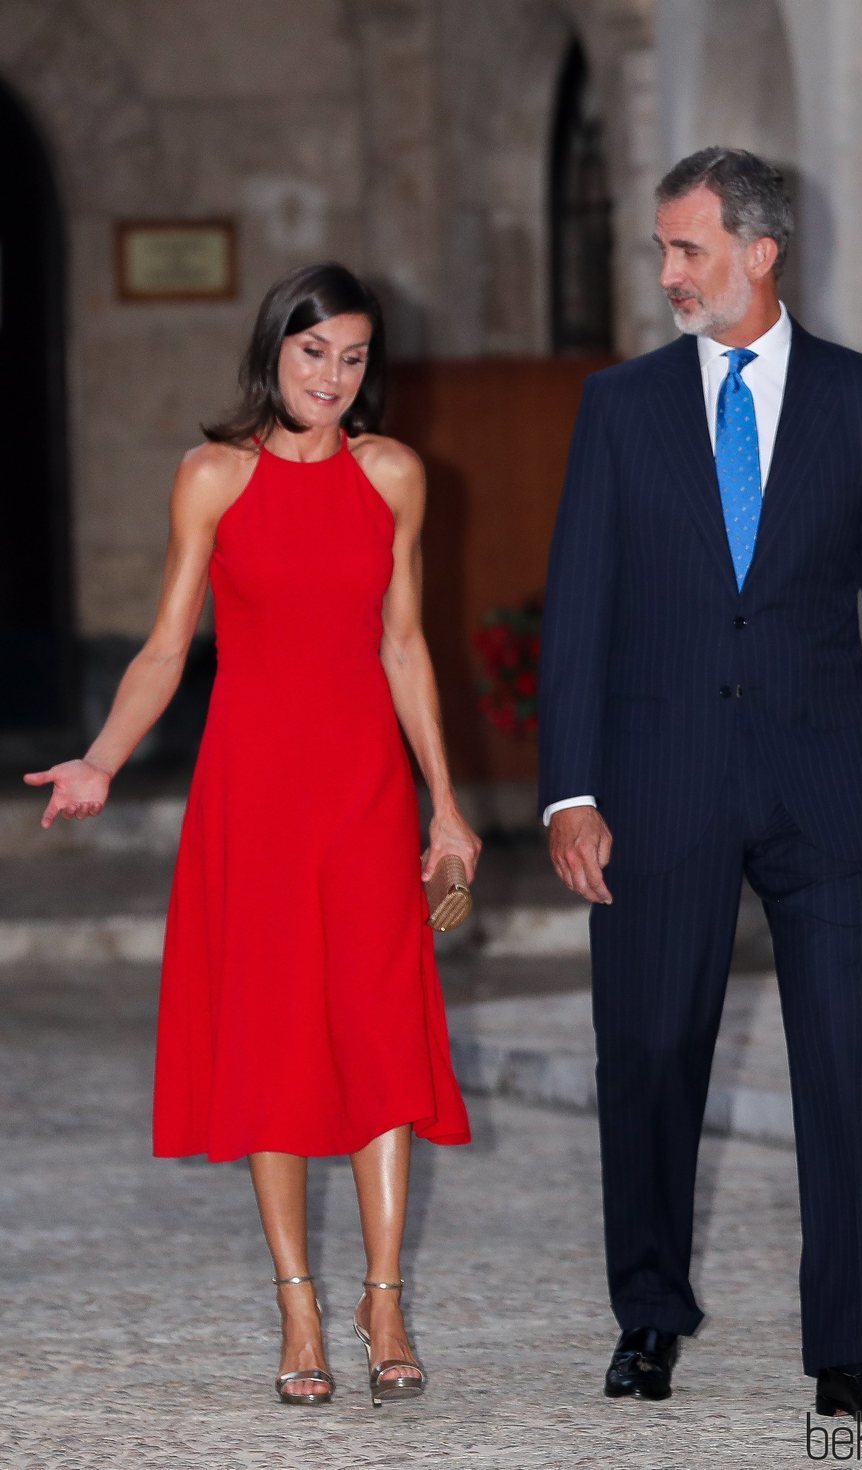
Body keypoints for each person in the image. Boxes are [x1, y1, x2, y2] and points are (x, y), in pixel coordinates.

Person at [538, 148, 862, 1421]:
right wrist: (568, 792)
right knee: (650, 1051)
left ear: (758, 252)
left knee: (836, 1058)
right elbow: (578, 610)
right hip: (653, 785)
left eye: (686, 250)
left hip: (819, 786)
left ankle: (845, 1353)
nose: (666, 273)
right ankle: (648, 1316)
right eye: (660, 251)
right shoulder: (618, 408)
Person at [24, 262, 480, 1409]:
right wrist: (101, 757)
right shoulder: (212, 478)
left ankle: (383, 1299)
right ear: (274, 352)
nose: (333, 377)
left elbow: (405, 645)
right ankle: (298, 1308)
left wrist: (447, 802)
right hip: (255, 793)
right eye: (314, 353)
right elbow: (168, 647)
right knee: (275, 1035)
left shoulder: (393, 474)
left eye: (354, 356)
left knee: (378, 1030)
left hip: (365, 787)